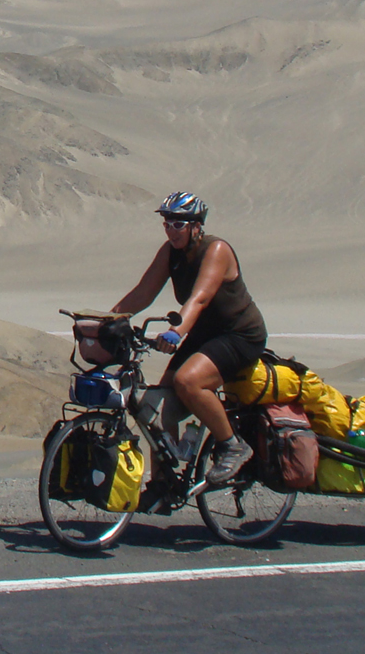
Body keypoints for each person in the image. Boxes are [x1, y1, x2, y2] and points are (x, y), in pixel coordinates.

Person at [111, 191, 268, 508]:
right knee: (156, 402)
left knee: (188, 382)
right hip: (203, 334)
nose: (171, 229)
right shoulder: (170, 252)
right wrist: (109, 320)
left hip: (239, 335)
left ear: (197, 226)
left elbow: (200, 297)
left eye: (178, 223)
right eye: (166, 222)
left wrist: (176, 332)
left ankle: (233, 445)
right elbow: (143, 293)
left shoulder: (217, 249)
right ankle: (162, 484)